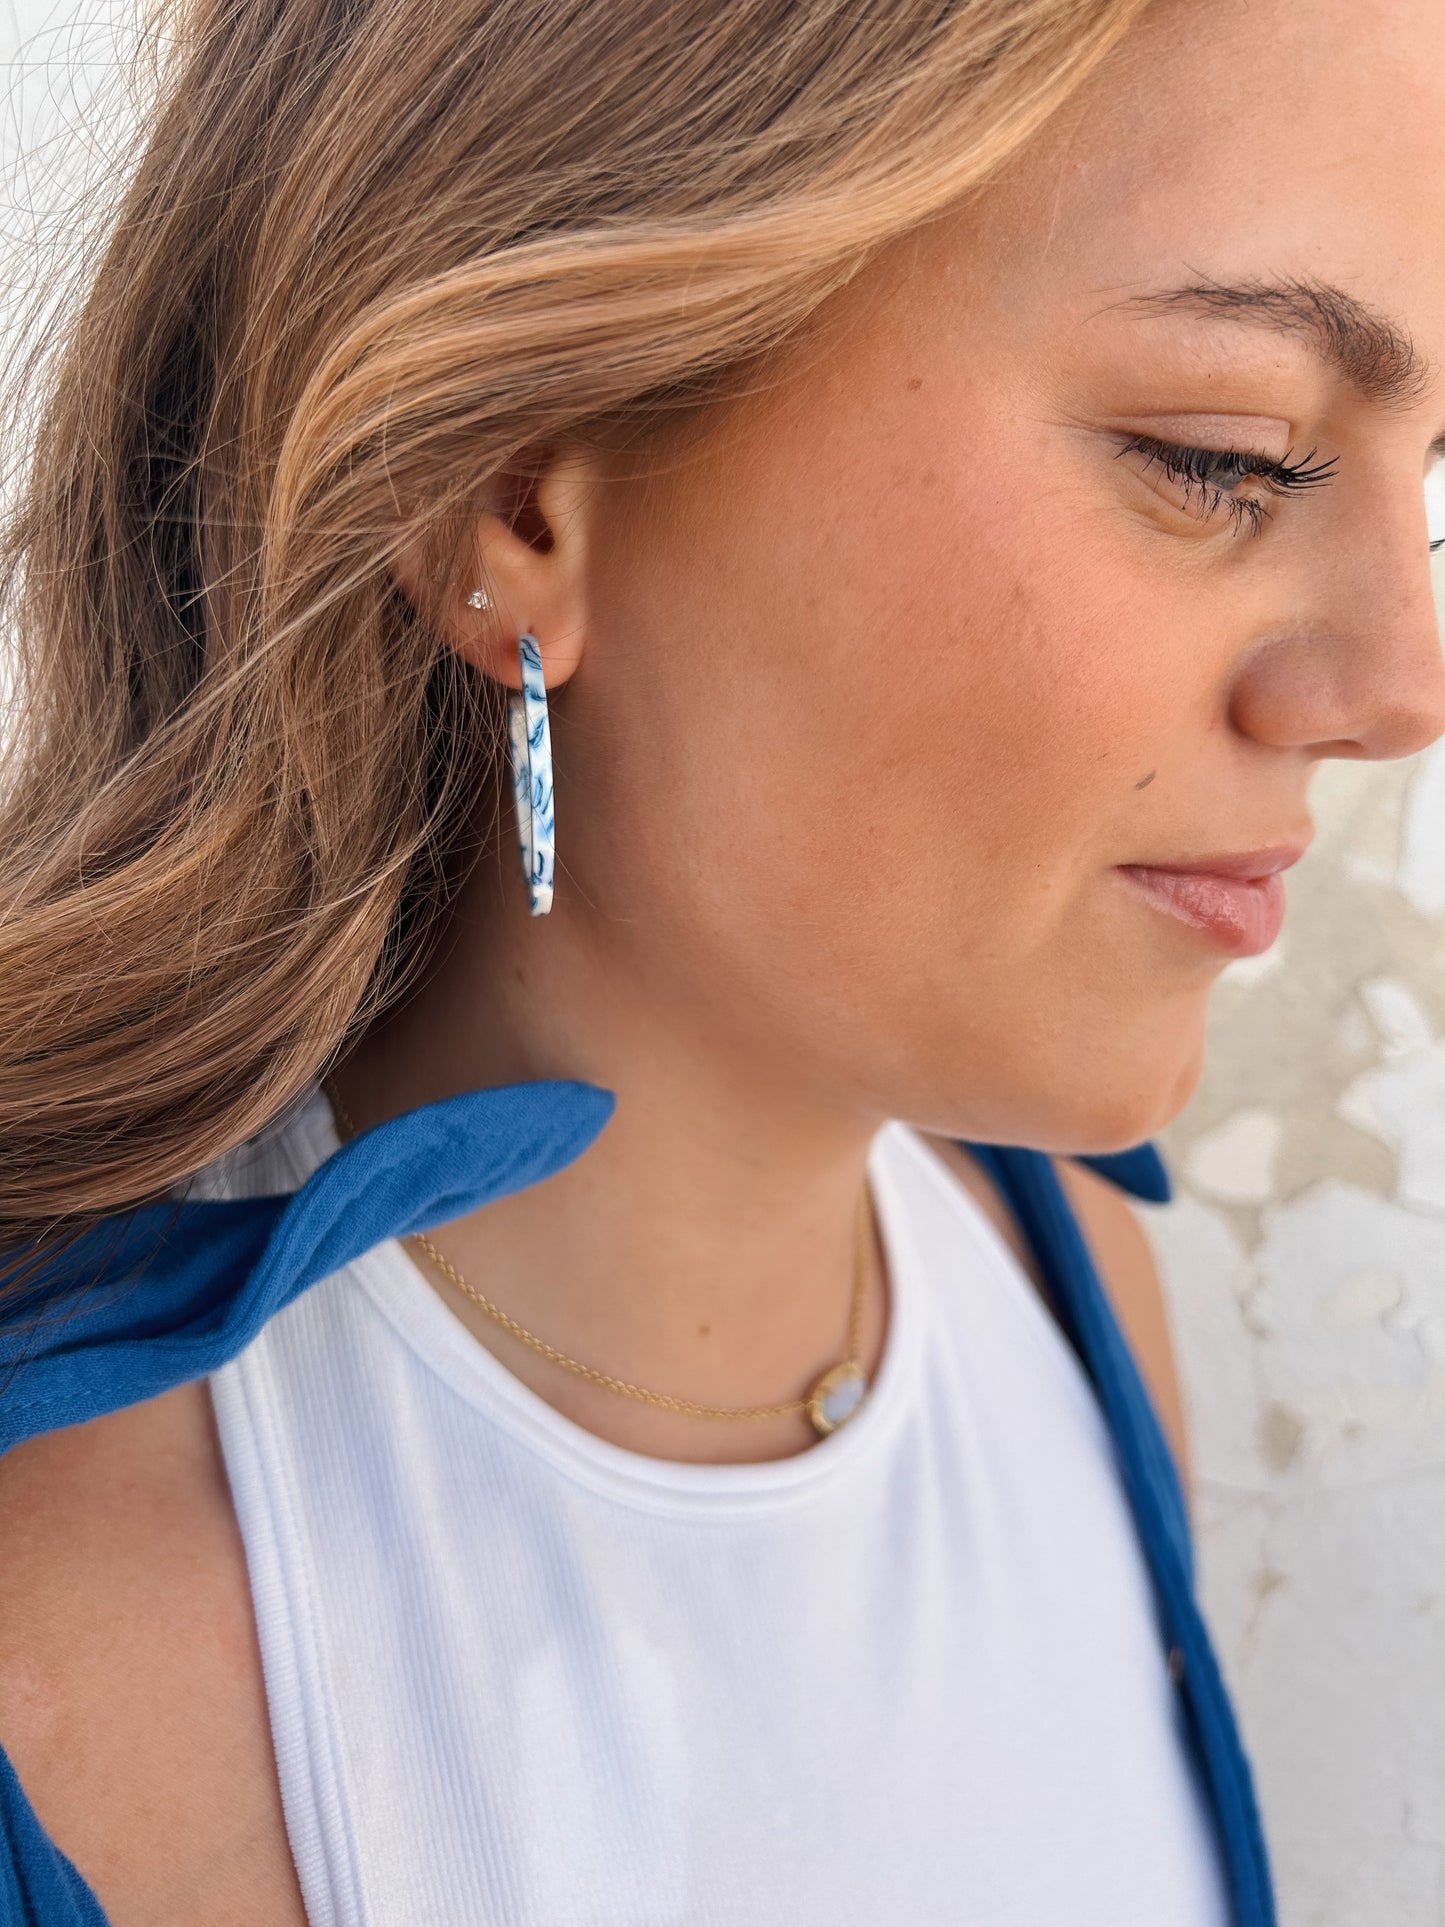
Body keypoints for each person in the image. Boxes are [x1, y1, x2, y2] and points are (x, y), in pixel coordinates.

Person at [2, 0, 1444, 1920]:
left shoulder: (1077, 1303)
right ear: (517, 492)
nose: (1397, 686)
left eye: (1429, 479)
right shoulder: (59, 1624)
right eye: (1227, 458)